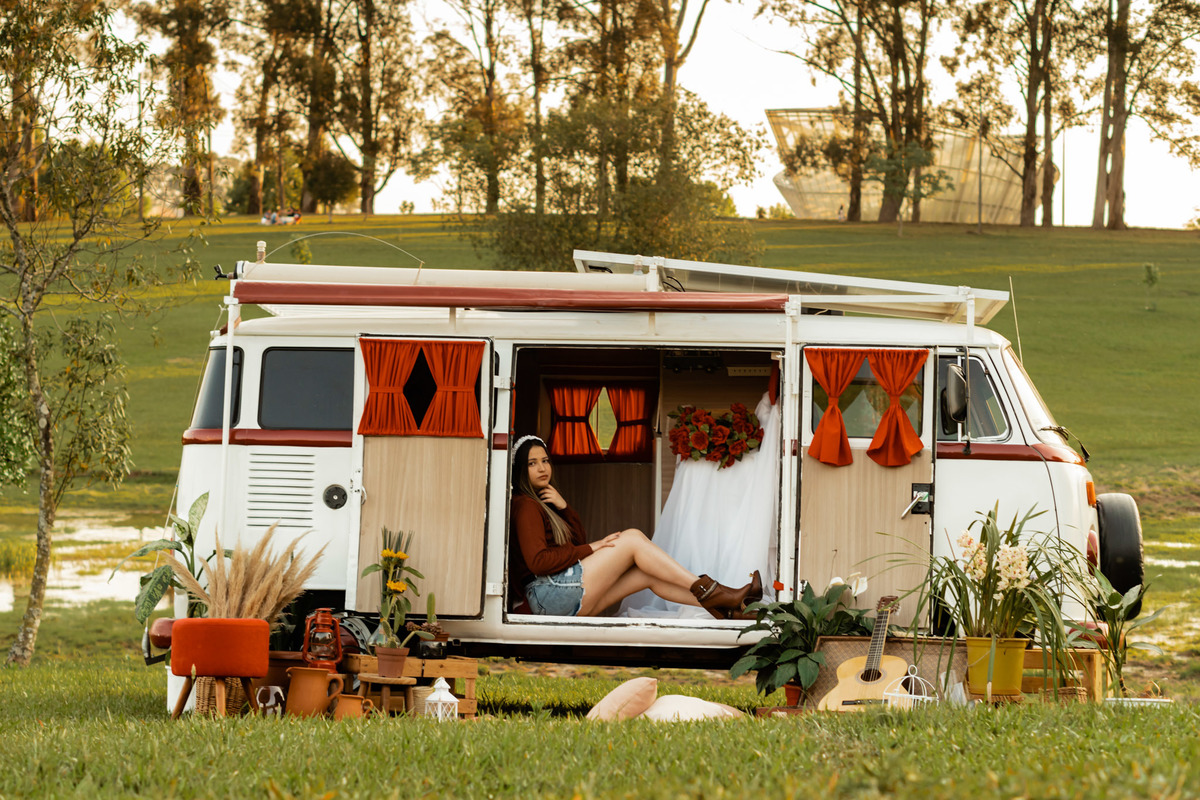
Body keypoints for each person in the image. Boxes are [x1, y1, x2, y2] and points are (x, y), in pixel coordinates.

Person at [508, 435, 761, 618]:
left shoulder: (544, 502)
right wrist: (592, 548)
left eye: (545, 460)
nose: (542, 468)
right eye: (532, 463)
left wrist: (564, 508)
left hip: (557, 597)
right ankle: (713, 590)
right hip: (547, 596)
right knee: (631, 538)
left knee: (646, 574)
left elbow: (576, 542)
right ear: (521, 470)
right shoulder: (526, 505)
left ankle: (728, 611)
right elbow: (539, 562)